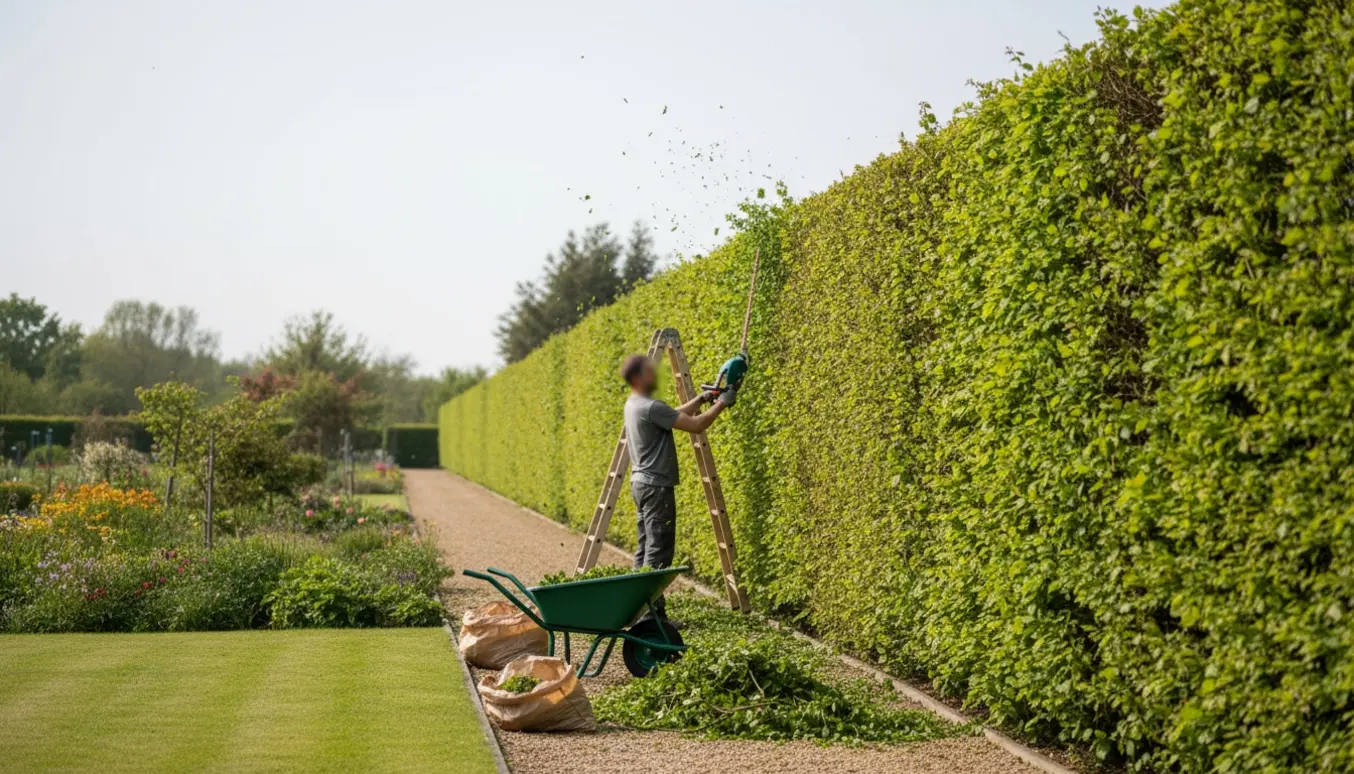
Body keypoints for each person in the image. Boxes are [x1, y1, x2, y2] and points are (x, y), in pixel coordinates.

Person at [620, 352, 736, 619]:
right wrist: (722, 403)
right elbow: (696, 425)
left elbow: (671, 416)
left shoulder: (634, 404)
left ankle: (640, 609)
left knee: (645, 549)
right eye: (649, 371)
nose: (654, 375)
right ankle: (652, 618)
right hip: (656, 488)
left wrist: (702, 399)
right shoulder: (651, 406)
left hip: (641, 485)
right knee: (658, 553)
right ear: (637, 377)